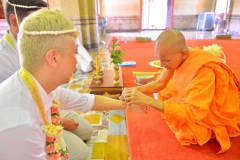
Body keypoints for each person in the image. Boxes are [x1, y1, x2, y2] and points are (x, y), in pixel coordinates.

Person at [0, 1, 94, 159]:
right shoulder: (3, 57)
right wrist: (59, 122)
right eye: (38, 19)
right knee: (81, 153)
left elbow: (52, 90)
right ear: (15, 20)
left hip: (46, 106)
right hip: (26, 115)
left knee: (86, 130)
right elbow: (17, 107)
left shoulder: (40, 41)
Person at [120, 30, 240, 153]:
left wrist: (148, 100)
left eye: (166, 61)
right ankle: (176, 107)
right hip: (196, 96)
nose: (162, 65)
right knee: (165, 90)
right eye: (159, 59)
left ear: (183, 53)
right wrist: (134, 90)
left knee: (187, 132)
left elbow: (193, 112)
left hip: (212, 108)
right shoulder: (178, 57)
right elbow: (160, 83)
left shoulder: (203, 71)